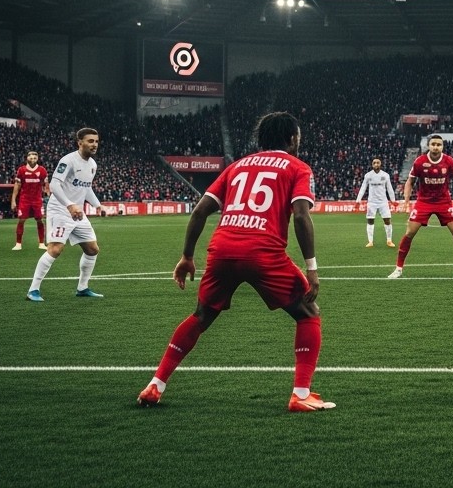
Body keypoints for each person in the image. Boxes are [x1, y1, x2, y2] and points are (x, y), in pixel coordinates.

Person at [137, 112, 333, 412]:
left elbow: (200, 211)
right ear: (293, 139)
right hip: (263, 251)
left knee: (201, 316)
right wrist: (312, 267)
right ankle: (301, 394)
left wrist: (187, 256)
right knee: (308, 313)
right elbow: (301, 215)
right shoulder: (298, 167)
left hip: (222, 248)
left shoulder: (237, 166)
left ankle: (155, 385)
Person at [25, 128, 104, 301]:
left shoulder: (92, 165)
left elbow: (86, 187)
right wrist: (69, 205)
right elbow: (54, 185)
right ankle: (33, 290)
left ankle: (82, 288)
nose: (94, 144)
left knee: (92, 249)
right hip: (61, 210)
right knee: (55, 249)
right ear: (80, 142)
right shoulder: (68, 161)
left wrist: (98, 205)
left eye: (96, 141)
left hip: (77, 213)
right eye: (90, 141)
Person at [391, 135, 453, 279]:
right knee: (410, 232)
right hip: (424, 201)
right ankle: (398, 269)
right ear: (428, 146)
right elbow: (410, 181)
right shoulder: (420, 162)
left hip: (444, 201)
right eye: (433, 144)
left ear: (442, 146)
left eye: (439, 144)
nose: (436, 147)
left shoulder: (449, 161)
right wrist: (406, 201)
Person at [10, 150, 48, 251]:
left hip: (37, 200)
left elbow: (46, 185)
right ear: (27, 158)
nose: (33, 158)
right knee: (21, 220)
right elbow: (17, 186)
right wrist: (13, 200)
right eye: (31, 156)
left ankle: (41, 243)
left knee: (40, 220)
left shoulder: (42, 170)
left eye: (35, 156)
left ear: (38, 158)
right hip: (25, 200)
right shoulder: (21, 170)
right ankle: (18, 244)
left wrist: (49, 195)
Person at [356, 157, 396, 248]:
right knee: (370, 220)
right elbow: (363, 188)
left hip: (383, 202)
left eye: (378, 162)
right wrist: (358, 200)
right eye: (374, 163)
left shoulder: (385, 175)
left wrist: (393, 200)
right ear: (372, 164)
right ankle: (370, 241)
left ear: (380, 164)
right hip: (372, 202)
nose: (376, 164)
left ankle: (389, 240)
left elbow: (389, 188)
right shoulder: (368, 175)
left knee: (387, 220)